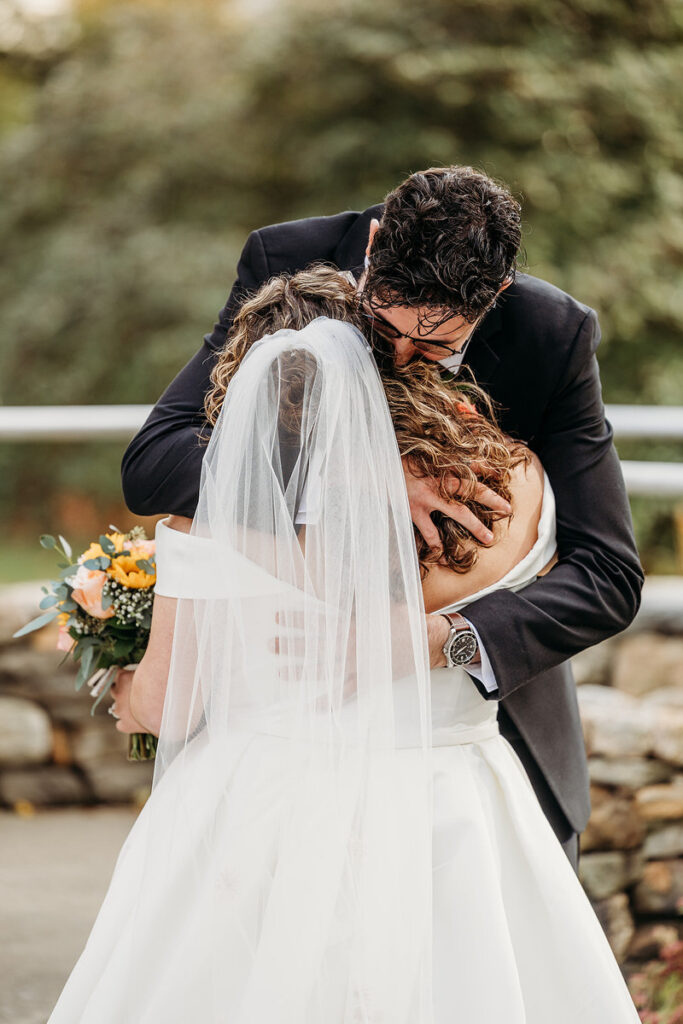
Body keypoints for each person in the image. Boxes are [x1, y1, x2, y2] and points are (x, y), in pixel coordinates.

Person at [47, 283, 641, 1021]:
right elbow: (600, 578)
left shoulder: (208, 526)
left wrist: (121, 674)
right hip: (454, 799)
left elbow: (167, 709)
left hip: (265, 804)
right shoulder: (513, 483)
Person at [120, 166, 644, 869]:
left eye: (431, 348)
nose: (395, 358)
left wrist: (435, 640)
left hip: (486, 734)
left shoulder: (551, 333)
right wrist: (360, 477)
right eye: (382, 326)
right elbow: (155, 459)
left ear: (495, 296)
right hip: (285, 735)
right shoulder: (286, 264)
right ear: (371, 245)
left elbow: (607, 575)